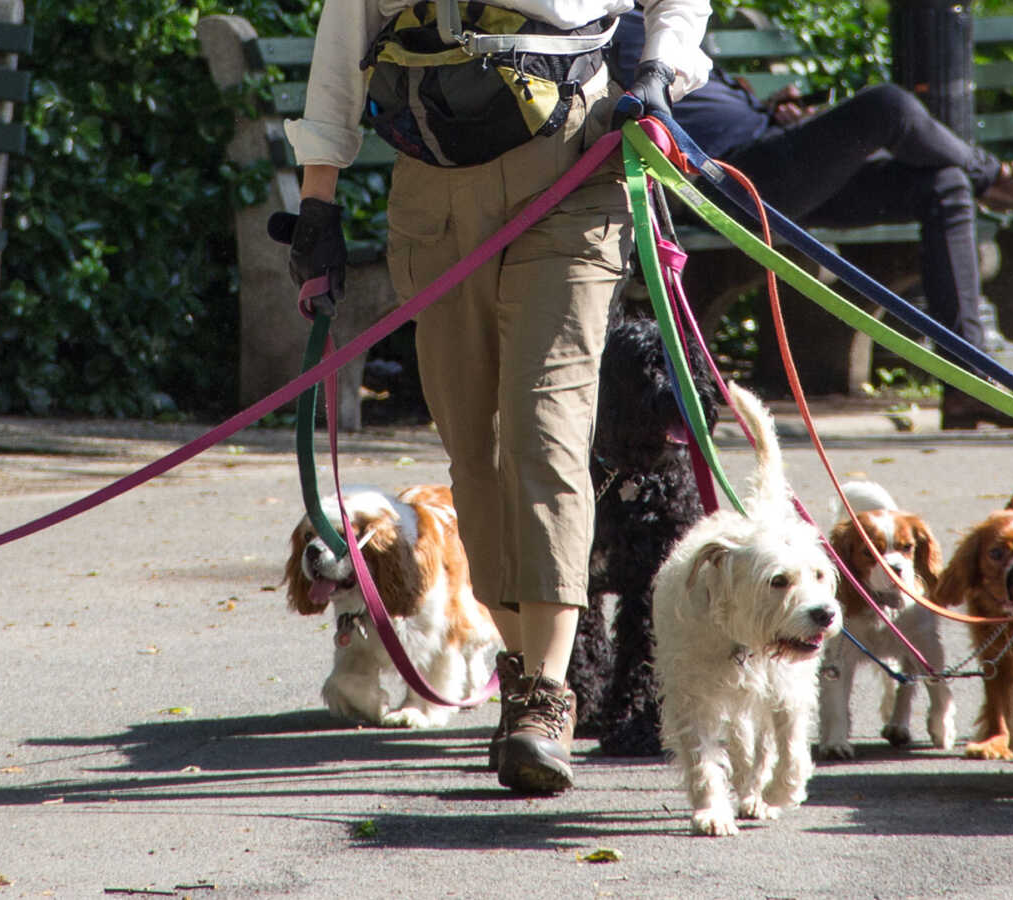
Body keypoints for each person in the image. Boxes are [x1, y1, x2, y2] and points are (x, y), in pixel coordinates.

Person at [281, 0, 710, 795]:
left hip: (573, 172)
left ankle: (547, 696)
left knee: (544, 435)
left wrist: (658, 70)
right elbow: (342, 45)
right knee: (472, 455)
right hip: (434, 195)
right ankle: (520, 671)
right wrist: (318, 206)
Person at [610, 9, 1013, 428]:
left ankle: (967, 383)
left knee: (943, 184)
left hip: (775, 162)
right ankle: (1002, 181)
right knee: (886, 106)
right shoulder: (614, 22)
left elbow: (702, 103)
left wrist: (774, 112)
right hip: (729, 177)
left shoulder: (662, 15)